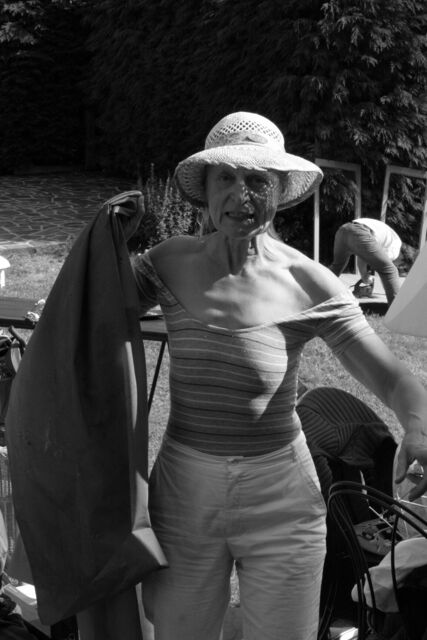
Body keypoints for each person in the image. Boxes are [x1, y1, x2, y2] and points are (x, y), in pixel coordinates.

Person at [127, 112, 427, 640]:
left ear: (281, 190)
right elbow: (88, 308)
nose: (240, 194)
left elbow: (392, 379)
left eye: (258, 179)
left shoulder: (307, 282)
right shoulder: (168, 262)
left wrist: (419, 426)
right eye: (226, 177)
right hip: (184, 490)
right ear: (206, 188)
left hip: (281, 497)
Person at [329, 217, 402, 304]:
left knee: (336, 267)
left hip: (343, 230)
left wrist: (364, 275)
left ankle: (315, 296)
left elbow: (363, 256)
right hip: (360, 231)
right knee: (390, 270)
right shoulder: (396, 246)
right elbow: (383, 266)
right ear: (403, 257)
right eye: (401, 264)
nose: (399, 265)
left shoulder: (390, 237)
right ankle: (396, 308)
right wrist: (365, 276)